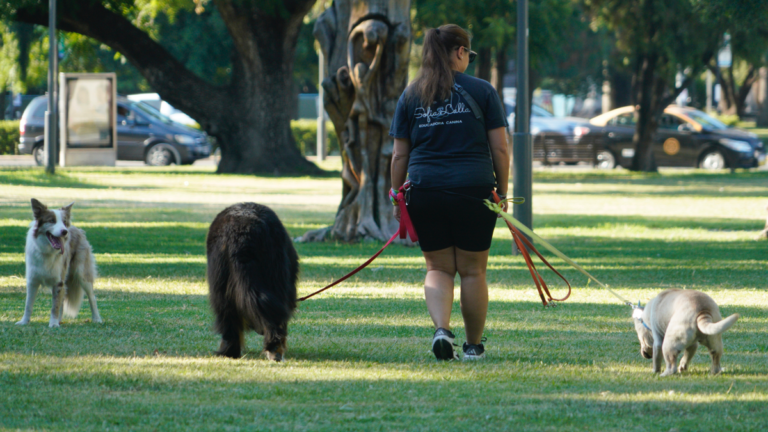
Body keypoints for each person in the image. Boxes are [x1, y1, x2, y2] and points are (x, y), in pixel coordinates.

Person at [388, 24, 510, 361]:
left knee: (438, 268)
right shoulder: (483, 90)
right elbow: (501, 149)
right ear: (459, 51)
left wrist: (397, 195)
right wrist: (502, 191)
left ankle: (442, 330)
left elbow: (399, 155)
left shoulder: (411, 94)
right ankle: (473, 346)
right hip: (474, 190)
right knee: (473, 271)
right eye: (469, 54)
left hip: (425, 191)